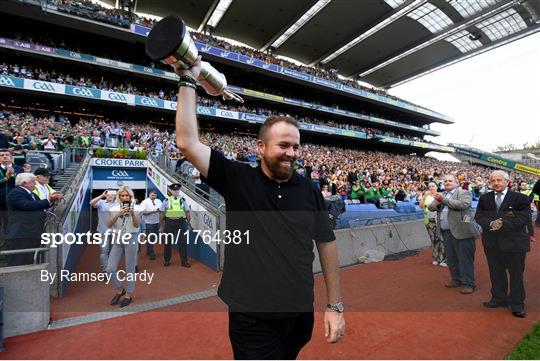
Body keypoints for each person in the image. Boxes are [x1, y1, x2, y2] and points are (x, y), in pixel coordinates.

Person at [173, 55, 345, 359]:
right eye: (283, 145)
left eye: (295, 146)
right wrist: (188, 80)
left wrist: (334, 305)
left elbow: (327, 244)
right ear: (261, 147)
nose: (291, 153)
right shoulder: (237, 178)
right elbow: (187, 142)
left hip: (299, 314)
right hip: (251, 316)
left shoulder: (309, 189)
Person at [474, 171, 532, 318]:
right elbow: (479, 216)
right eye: (493, 180)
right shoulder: (485, 198)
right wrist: (490, 223)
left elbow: (523, 218)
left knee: (516, 275)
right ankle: (499, 299)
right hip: (492, 244)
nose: (496, 183)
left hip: (515, 244)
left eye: (499, 180)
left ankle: (517, 304)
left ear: (507, 181)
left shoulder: (521, 198)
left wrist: (501, 223)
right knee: (496, 273)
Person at [428, 174, 479, 294]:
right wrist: (439, 201)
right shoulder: (443, 194)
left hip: (462, 231)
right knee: (451, 258)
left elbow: (462, 205)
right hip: (446, 232)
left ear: (457, 183)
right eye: (445, 181)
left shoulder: (464, 192)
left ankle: (468, 283)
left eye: (450, 181)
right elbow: (430, 207)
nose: (447, 182)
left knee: (464, 259)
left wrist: (443, 200)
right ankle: (456, 279)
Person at [5, 173, 62, 266]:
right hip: (21, 235)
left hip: (31, 233)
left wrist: (51, 201)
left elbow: (38, 206)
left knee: (29, 262)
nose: (35, 184)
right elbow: (28, 206)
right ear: (24, 183)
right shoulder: (16, 193)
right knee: (17, 262)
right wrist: (49, 200)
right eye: (32, 182)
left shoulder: (32, 194)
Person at [106, 186, 141, 308]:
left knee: (130, 269)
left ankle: (128, 295)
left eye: (127, 196)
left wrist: (132, 213)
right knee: (110, 268)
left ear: (131, 197)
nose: (125, 198)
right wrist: (117, 214)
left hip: (131, 238)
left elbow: (137, 225)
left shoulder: (137, 208)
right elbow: (109, 224)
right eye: (122, 195)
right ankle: (120, 289)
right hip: (117, 239)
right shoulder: (113, 208)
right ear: (119, 197)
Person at [160, 183, 191, 268]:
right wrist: (161, 226)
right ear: (171, 190)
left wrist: (188, 223)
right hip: (169, 222)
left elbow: (187, 212)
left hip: (181, 222)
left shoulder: (183, 200)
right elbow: (162, 213)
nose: (176, 191)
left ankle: (184, 262)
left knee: (182, 243)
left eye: (177, 190)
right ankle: (166, 260)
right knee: (168, 243)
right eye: (174, 190)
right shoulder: (166, 200)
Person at [90, 189, 117, 272]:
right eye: (108, 194)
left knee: (113, 251)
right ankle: (104, 270)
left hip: (115, 231)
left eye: (112, 194)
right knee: (104, 251)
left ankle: (110, 267)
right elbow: (91, 203)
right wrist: (102, 195)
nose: (110, 196)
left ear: (115, 196)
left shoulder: (118, 204)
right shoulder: (101, 202)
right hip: (103, 231)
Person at [420, 181, 446, 267]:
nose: (431, 188)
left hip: (439, 220)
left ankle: (443, 259)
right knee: (433, 239)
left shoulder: (440, 195)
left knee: (441, 239)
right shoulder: (426, 196)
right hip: (428, 220)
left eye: (433, 186)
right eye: (429, 186)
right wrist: (423, 196)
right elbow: (421, 206)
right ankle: (435, 258)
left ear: (436, 187)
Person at [0, 149, 23, 236]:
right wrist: (6, 178)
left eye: (6, 155)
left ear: (11, 157)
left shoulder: (19, 168)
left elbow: (21, 182)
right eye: (2, 155)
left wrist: (13, 175)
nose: (4, 156)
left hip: (13, 201)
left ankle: (9, 243)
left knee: (10, 224)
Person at [140, 190, 162, 260]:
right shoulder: (145, 202)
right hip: (148, 223)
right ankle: (151, 253)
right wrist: (153, 211)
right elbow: (143, 212)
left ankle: (149, 251)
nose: (154, 196)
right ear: (149, 195)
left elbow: (162, 209)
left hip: (157, 222)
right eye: (152, 195)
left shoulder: (158, 201)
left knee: (154, 237)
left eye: (155, 195)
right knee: (151, 238)